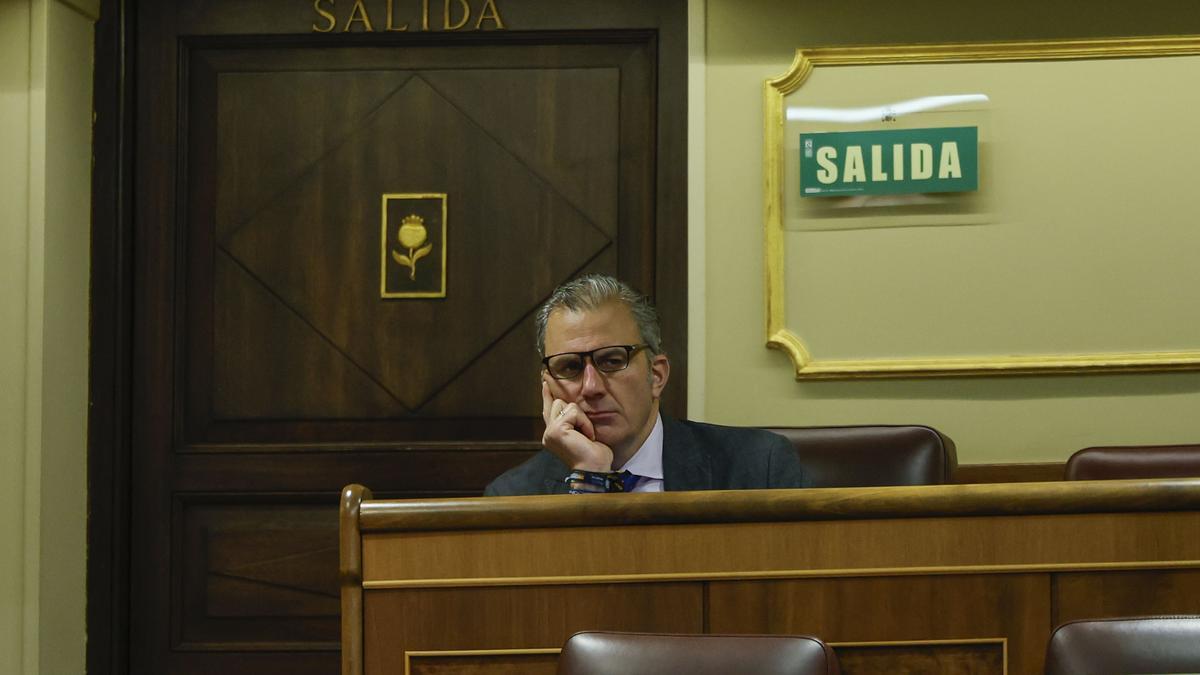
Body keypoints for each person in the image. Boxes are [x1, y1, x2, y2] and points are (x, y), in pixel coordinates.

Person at [485, 274, 806, 496]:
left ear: (657, 375)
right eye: (569, 367)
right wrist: (591, 478)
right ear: (549, 389)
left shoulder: (759, 467)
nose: (591, 386)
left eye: (612, 360)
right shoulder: (514, 494)